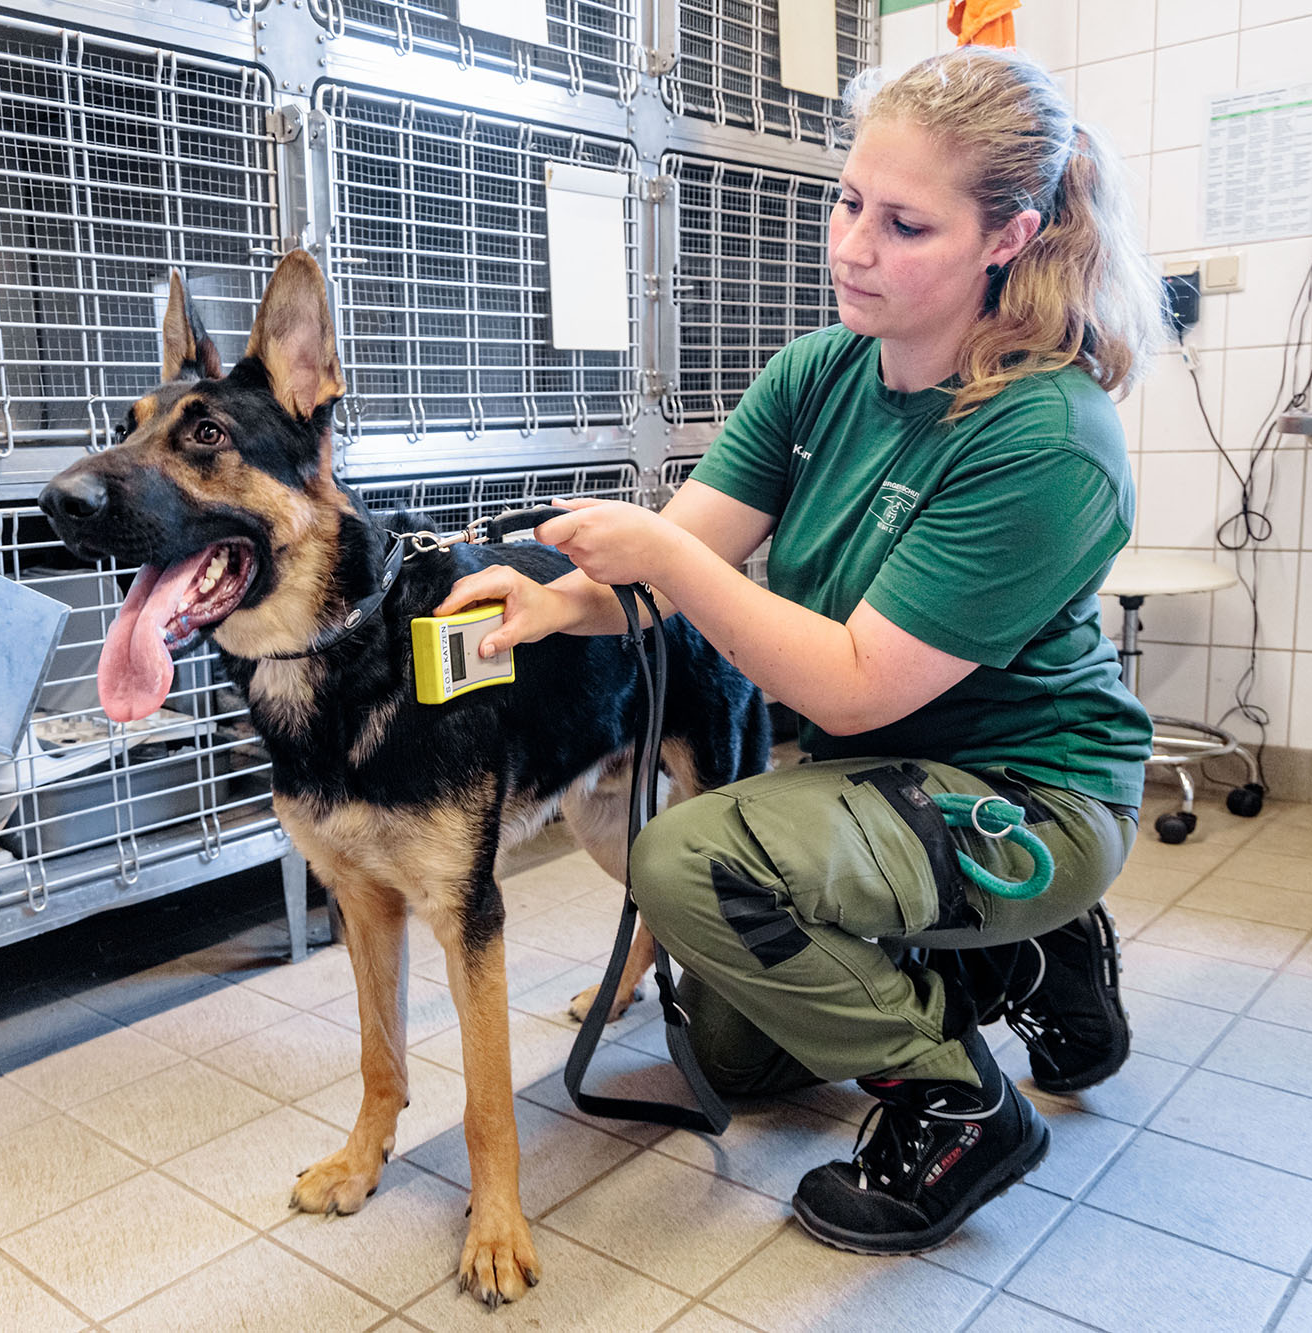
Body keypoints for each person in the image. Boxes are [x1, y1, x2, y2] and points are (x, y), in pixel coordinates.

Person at [435, 45, 1157, 1255]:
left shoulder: (1045, 436)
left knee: (690, 863)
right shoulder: (820, 372)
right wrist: (566, 600)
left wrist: (659, 564)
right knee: (732, 1049)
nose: (851, 246)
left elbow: (854, 686)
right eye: (846, 200)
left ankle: (959, 1107)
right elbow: (679, 557)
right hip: (870, 790)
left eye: (903, 224)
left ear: (1006, 237)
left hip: (1025, 799)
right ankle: (1013, 966)